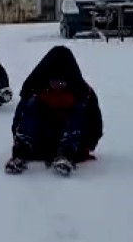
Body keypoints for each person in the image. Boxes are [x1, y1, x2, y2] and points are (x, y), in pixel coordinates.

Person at [6, 45, 103, 176]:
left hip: (72, 142)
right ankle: (21, 154)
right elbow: (21, 116)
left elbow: (95, 120)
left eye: (62, 83)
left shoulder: (83, 93)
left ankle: (65, 155)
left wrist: (90, 143)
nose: (58, 86)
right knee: (32, 105)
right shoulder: (34, 89)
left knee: (79, 110)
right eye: (54, 82)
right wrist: (16, 138)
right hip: (41, 140)